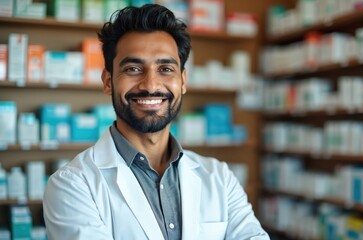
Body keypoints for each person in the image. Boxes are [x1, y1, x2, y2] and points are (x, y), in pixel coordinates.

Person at [43, 4, 269, 240]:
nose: (150, 85)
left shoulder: (219, 177)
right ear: (108, 81)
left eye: (165, 68)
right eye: (133, 68)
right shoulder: (72, 186)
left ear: (182, 81)